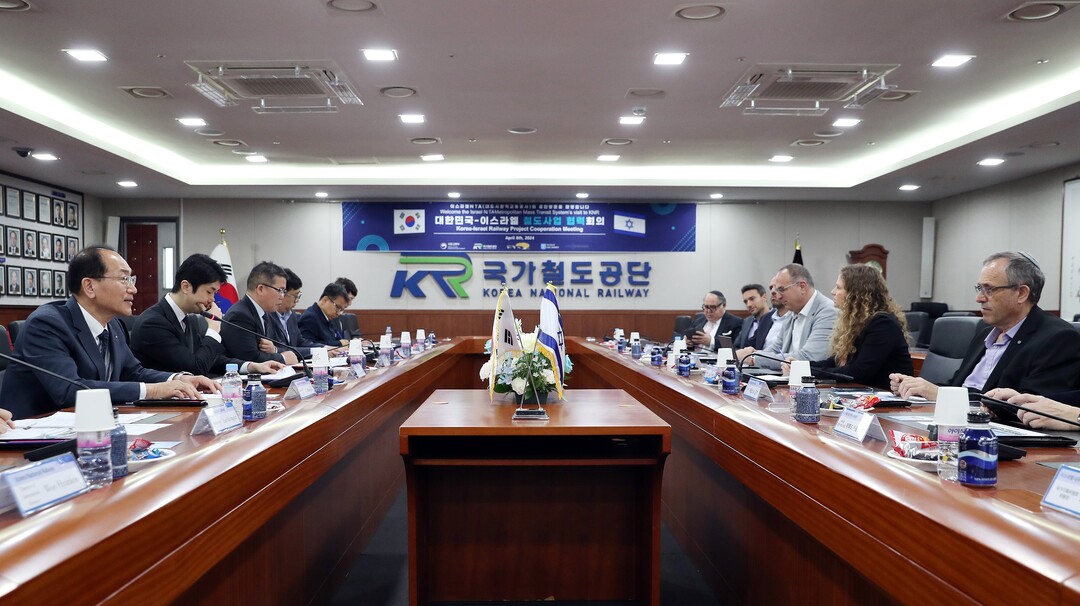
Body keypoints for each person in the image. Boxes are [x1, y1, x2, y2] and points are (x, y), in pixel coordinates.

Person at [0, 246, 218, 419]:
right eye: (124, 279)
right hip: (31, 436)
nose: (133, 289)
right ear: (89, 287)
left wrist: (179, 379)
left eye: (132, 280)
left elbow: (134, 372)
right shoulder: (47, 324)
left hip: (92, 425)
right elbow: (69, 391)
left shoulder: (113, 325)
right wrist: (153, 391)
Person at [891, 252, 1080, 421]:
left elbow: (1032, 409)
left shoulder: (1057, 338)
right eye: (979, 288)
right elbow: (959, 386)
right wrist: (917, 388)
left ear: (1021, 293)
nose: (979, 298)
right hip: (953, 422)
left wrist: (941, 394)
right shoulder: (984, 334)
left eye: (989, 289)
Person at [132, 254, 286, 377]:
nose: (212, 299)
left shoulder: (188, 319)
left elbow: (211, 359)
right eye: (209, 292)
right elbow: (195, 367)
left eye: (215, 293)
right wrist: (213, 327)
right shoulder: (153, 323)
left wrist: (251, 366)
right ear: (186, 286)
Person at [807, 264, 913, 389]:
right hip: (863, 394)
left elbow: (858, 373)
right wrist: (802, 366)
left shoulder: (883, 324)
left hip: (887, 396)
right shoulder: (857, 322)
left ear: (855, 294)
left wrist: (810, 372)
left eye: (838, 287)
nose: (832, 292)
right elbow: (836, 361)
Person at [737, 263, 837, 370]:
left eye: (781, 290)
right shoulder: (791, 312)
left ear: (802, 287)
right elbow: (775, 349)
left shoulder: (828, 311)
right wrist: (754, 354)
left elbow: (809, 357)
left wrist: (754, 358)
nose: (778, 296)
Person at [221, 261, 298, 365]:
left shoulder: (267, 314)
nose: (282, 297)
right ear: (260, 289)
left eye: (284, 292)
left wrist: (275, 350)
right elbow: (250, 358)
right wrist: (282, 358)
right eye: (280, 290)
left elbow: (281, 345)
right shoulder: (239, 316)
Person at [266, 268, 321, 358]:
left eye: (299, 296)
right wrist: (316, 351)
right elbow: (280, 348)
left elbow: (300, 342)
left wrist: (325, 348)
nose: (297, 300)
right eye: (295, 295)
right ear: (282, 293)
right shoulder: (267, 316)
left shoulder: (292, 316)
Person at [299, 283, 352, 347]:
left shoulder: (329, 317)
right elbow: (308, 345)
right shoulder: (310, 317)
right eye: (338, 307)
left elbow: (334, 339)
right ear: (325, 300)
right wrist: (338, 343)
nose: (338, 313)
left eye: (341, 310)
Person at [733, 284, 773, 350]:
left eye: (752, 299)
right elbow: (737, 345)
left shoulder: (775, 319)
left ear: (764, 297)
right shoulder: (747, 321)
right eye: (745, 301)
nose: (749, 304)